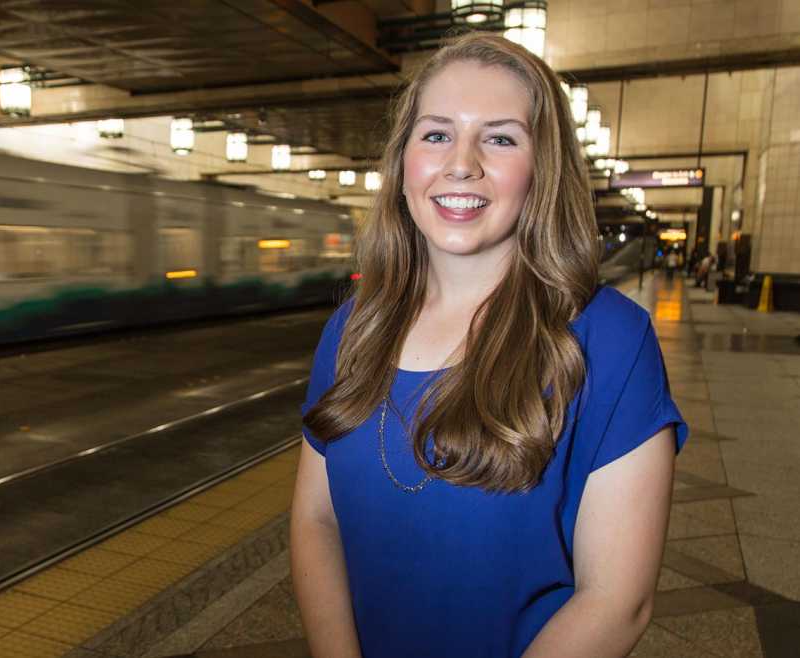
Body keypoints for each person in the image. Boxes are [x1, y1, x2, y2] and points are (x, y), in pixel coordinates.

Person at [291, 33, 688, 658]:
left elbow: (617, 602)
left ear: (542, 170)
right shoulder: (352, 330)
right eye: (437, 133)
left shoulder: (610, 340)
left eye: (500, 137)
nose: (461, 162)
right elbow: (316, 520)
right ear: (403, 164)